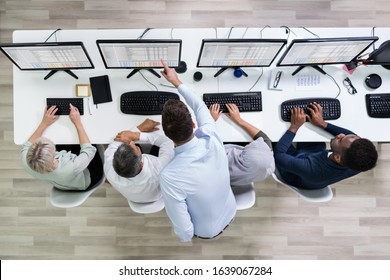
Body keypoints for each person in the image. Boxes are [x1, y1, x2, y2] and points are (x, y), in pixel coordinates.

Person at [159, 60, 236, 242]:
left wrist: (187, 237)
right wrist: (176, 82)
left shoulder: (170, 176)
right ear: (193, 124)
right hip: (230, 210)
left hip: (208, 231)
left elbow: (186, 232)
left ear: (167, 134)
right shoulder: (211, 136)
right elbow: (200, 107)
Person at [274, 103, 378, 189]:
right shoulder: (360, 162)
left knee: (273, 136)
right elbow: (352, 138)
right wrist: (323, 124)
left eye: (340, 140)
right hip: (314, 160)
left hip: (295, 174)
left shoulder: (312, 168)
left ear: (337, 157)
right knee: (311, 130)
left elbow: (279, 156)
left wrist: (294, 127)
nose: (340, 135)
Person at [21, 104, 103, 191]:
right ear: (54, 157)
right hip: (87, 177)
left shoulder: (26, 162)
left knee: (65, 140)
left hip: (61, 181)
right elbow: (89, 151)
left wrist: (44, 123)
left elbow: (27, 145)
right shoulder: (69, 167)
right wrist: (77, 122)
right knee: (91, 139)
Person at [104, 118, 174, 203]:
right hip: (157, 194)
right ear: (141, 164)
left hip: (134, 197)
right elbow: (168, 142)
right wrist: (138, 134)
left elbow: (116, 142)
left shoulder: (109, 170)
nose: (132, 143)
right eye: (136, 148)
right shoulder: (160, 169)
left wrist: (137, 130)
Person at [209, 103, 275, 185]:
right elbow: (265, 139)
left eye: (250, 145)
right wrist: (238, 120)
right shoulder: (268, 169)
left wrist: (210, 121)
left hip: (216, 177)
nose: (251, 142)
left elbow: (205, 142)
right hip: (237, 180)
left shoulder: (219, 158)